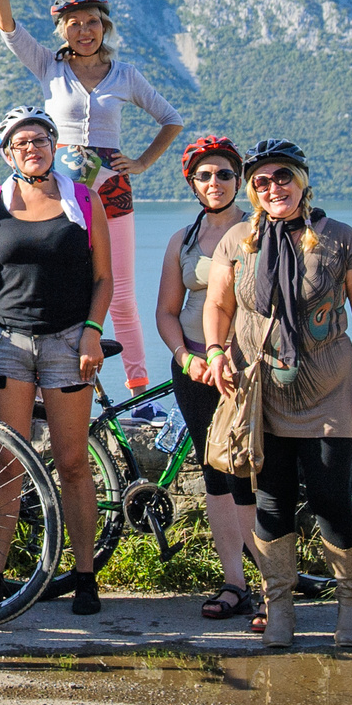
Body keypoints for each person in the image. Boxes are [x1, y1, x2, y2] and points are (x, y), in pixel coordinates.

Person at [0, 0, 184, 389]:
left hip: (112, 190)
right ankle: (55, 378)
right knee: (60, 286)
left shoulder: (126, 75)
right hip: (57, 190)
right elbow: (7, 25)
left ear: (104, 26)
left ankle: (138, 389)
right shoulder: (49, 66)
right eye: (74, 24)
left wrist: (143, 162)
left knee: (122, 294)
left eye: (92, 22)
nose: (84, 31)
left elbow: (171, 119)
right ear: (62, 30)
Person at [199, 139, 352, 650]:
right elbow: (217, 303)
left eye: (283, 177)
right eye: (261, 181)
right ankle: (279, 605)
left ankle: (351, 601)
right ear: (253, 191)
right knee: (272, 502)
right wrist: (215, 353)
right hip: (262, 394)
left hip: (328, 391)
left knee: (330, 499)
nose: (273, 187)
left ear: (302, 181)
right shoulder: (238, 241)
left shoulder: (341, 239)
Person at [0, 106, 110, 616]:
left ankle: (85, 576)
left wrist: (92, 331)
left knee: (72, 462)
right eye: (21, 143)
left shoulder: (83, 200)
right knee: (8, 463)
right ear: (7, 153)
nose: (32, 148)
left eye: (40, 139)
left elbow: (105, 279)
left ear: (53, 144)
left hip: (69, 342)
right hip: (6, 343)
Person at [150, 133, 259, 624]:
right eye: (205, 175)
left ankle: (274, 583)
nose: (215, 182)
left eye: (224, 174)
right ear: (192, 183)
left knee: (255, 476)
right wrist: (185, 356)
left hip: (246, 374)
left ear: (240, 181)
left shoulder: (261, 231)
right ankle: (235, 582)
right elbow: (167, 311)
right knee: (216, 476)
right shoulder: (184, 241)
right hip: (194, 371)